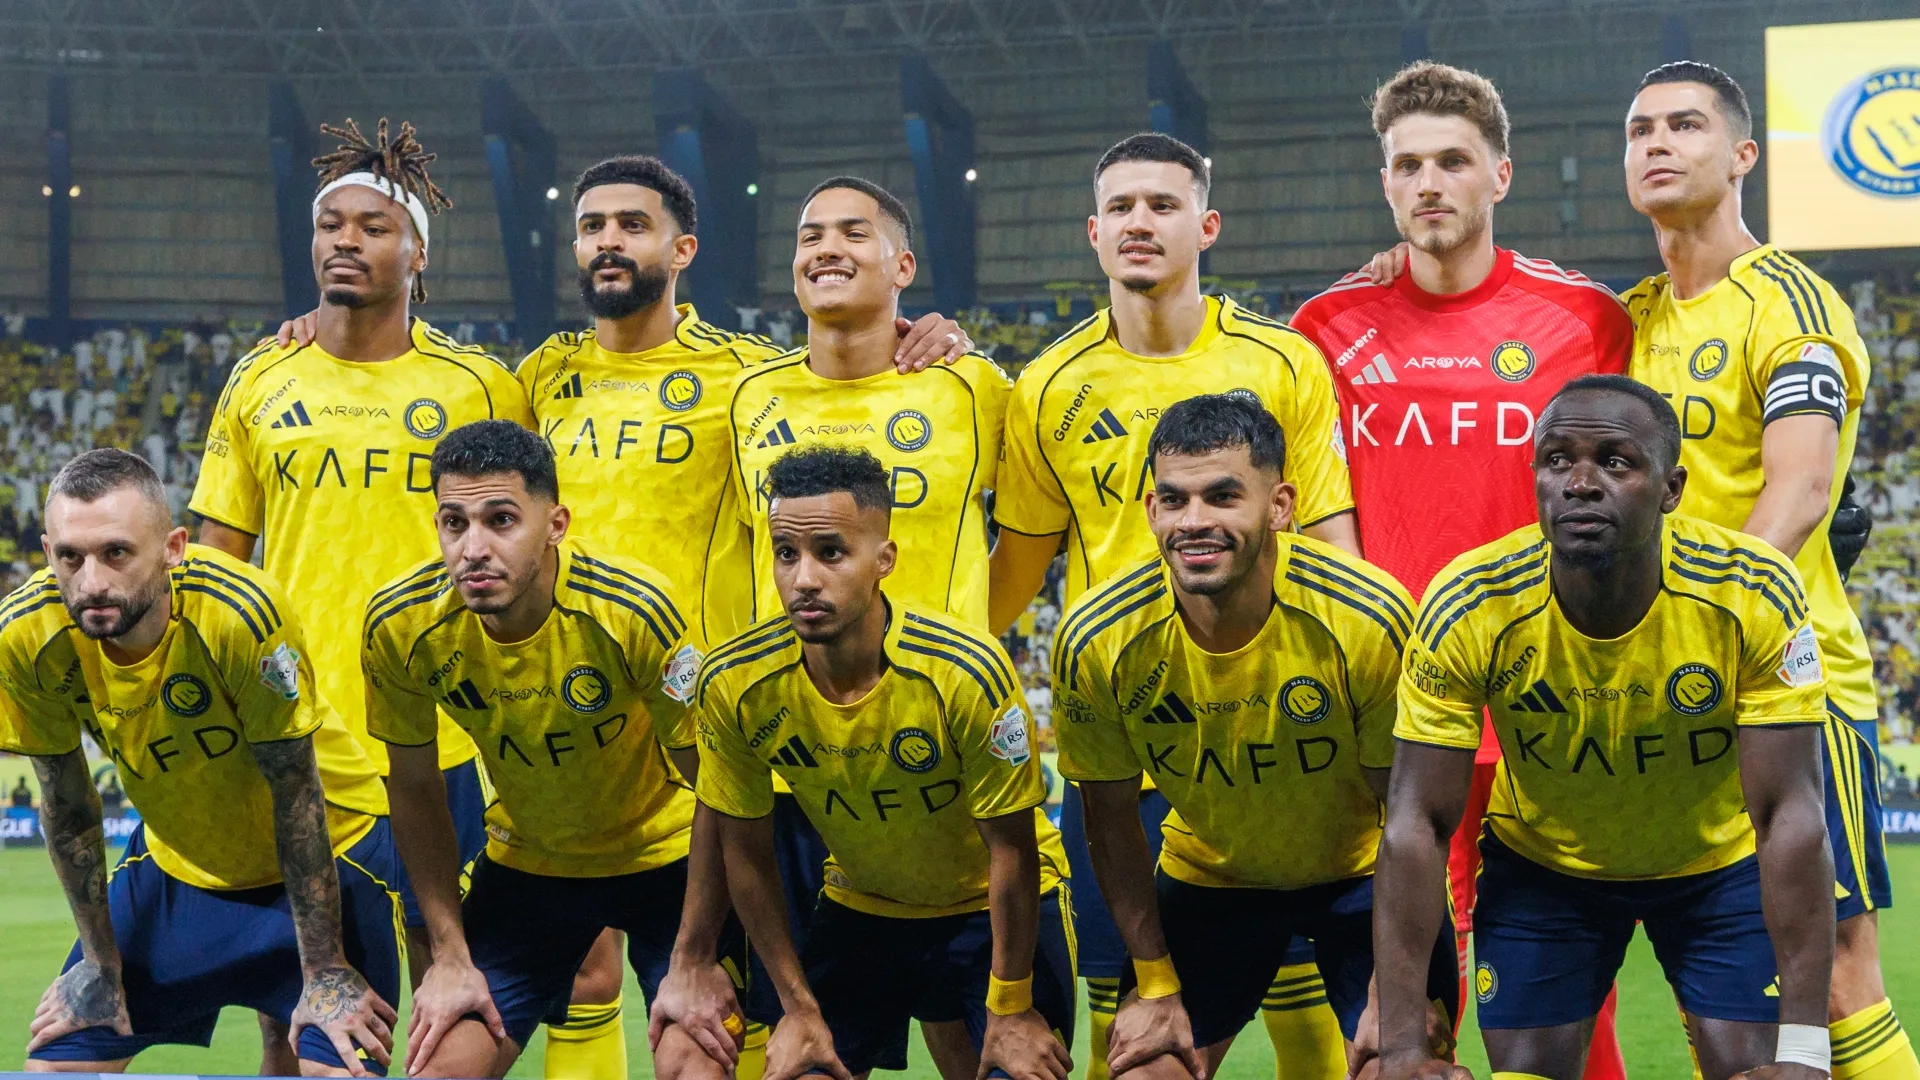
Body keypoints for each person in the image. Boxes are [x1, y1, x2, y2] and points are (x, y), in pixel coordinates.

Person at [1288, 61, 1631, 1080]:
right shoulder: (1324, 330)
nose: (1428, 181)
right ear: (1385, 184)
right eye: (1407, 165)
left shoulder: (1587, 320)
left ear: (1501, 176)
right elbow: (1315, 517)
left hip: (1548, 702)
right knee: (1396, 1009)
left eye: (1451, 160)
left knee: (1567, 999)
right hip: (1400, 712)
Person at [991, 132, 1357, 1080]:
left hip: (1270, 727)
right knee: (1137, 1023)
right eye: (1120, 207)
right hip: (1124, 729)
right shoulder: (1047, 386)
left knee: (1303, 993)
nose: (1139, 223)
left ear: (1208, 225)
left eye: (1161, 204)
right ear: (1093, 232)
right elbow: (1018, 569)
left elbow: (1328, 546)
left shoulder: (1283, 364)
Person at [189, 117, 532, 1072]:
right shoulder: (261, 377)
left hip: (443, 730)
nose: (346, 239)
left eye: (374, 226)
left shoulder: (480, 385)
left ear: (418, 251)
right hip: (293, 730)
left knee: (452, 985)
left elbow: (530, 540)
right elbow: (219, 563)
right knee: (297, 996)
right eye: (331, 224)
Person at [1374, 376, 1836, 1080]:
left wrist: (1808, 1052)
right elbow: (1416, 824)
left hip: (1716, 870)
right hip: (1546, 872)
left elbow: (1788, 816)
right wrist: (1404, 1048)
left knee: (1760, 1072)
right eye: (1557, 460)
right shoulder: (1472, 602)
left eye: (1615, 461)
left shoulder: (1752, 590)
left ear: (1672, 487)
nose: (1580, 483)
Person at [1619, 62, 1914, 1080]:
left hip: (1791, 686)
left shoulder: (1788, 299)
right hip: (1668, 700)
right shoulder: (1629, 322)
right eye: (1641, 129)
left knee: (1832, 975)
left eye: (1686, 125)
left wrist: (1681, 623)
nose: (1657, 143)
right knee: (1721, 999)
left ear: (1743, 156)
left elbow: (1797, 491)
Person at [1052, 394, 1456, 1080]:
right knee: (1146, 1070)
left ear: (1280, 505)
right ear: (1151, 511)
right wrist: (1154, 982)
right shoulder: (1099, 637)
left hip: (1364, 879)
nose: (1194, 522)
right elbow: (1111, 820)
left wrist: (1398, 988)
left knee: (1404, 1068)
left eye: (1223, 496)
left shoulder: (1366, 617)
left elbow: (1408, 817)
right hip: (1212, 877)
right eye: (1174, 501)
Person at [0, 448, 399, 1076]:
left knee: (331, 1067)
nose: (92, 581)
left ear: (174, 547)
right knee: (56, 1064)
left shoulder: (241, 615)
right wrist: (101, 966)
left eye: (117, 553)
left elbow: (295, 792)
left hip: (337, 848)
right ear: (47, 549)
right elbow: (68, 803)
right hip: (181, 865)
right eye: (69, 557)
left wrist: (322, 971)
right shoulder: (27, 634)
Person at [690, 446, 1075, 1080]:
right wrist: (797, 1007)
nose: (804, 578)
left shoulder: (963, 673)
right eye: (787, 554)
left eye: (831, 552)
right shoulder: (736, 681)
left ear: (883, 560)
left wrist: (1010, 1009)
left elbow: (1013, 849)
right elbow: (746, 853)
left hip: (989, 912)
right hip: (865, 907)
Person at [362, 420, 727, 1079]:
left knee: (694, 1064)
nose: (473, 547)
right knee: (438, 1068)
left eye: (501, 520)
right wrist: (448, 957)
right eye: (454, 522)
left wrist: (696, 958)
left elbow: (720, 790)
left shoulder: (633, 611)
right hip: (528, 867)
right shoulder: (401, 626)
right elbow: (414, 789)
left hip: (666, 860)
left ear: (555, 523)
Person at [728, 176, 1011, 630]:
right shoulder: (748, 396)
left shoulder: (972, 387)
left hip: (936, 691)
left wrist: (968, 650)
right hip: (788, 690)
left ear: (903, 267)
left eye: (854, 234)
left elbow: (1031, 539)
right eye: (810, 238)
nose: (826, 249)